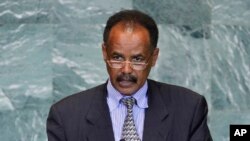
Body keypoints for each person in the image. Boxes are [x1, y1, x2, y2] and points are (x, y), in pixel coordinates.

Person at [47, 9, 213, 141]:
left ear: (154, 57)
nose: (126, 70)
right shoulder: (66, 116)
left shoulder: (189, 109)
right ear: (105, 53)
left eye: (137, 59)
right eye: (117, 58)